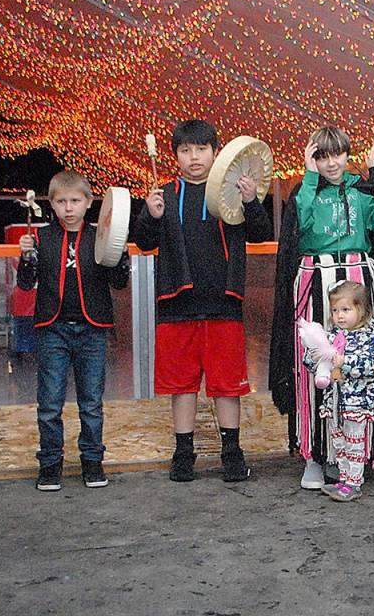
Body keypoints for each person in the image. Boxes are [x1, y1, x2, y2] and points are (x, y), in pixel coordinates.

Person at [134, 119, 272, 483]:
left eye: (201, 149)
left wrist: (251, 201)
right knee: (181, 386)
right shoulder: (163, 193)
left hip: (224, 303)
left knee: (227, 385)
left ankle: (232, 452)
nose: (193, 157)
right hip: (176, 305)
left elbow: (260, 234)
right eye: (185, 150)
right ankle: (183, 454)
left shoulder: (235, 192)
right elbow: (144, 242)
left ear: (216, 151)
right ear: (175, 155)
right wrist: (150, 214)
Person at [269, 126, 374, 490]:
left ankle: (353, 453)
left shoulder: (360, 191)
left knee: (358, 366)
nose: (331, 163)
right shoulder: (305, 192)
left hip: (356, 280)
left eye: (336, 154)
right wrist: (309, 176)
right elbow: (304, 223)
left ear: (347, 154)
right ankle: (314, 453)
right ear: (314, 160)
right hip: (314, 282)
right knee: (313, 364)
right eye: (322, 156)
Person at [18, 171, 130, 491]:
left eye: (75, 201)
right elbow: (26, 283)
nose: (69, 208)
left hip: (92, 328)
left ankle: (92, 461)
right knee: (50, 401)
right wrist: (26, 257)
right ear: (51, 204)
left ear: (89, 202)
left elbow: (118, 282)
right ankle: (51, 463)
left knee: (91, 400)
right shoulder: (41, 238)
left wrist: (121, 255)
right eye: (62, 201)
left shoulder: (102, 236)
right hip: (52, 328)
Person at [317, 282, 374, 502]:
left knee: (354, 442)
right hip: (335, 402)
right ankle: (343, 478)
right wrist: (316, 357)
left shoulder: (370, 339)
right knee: (339, 442)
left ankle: (354, 482)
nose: (339, 316)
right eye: (335, 310)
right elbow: (315, 361)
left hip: (357, 403)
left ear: (362, 310)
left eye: (346, 310)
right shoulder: (332, 336)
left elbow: (372, 364)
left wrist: (345, 361)